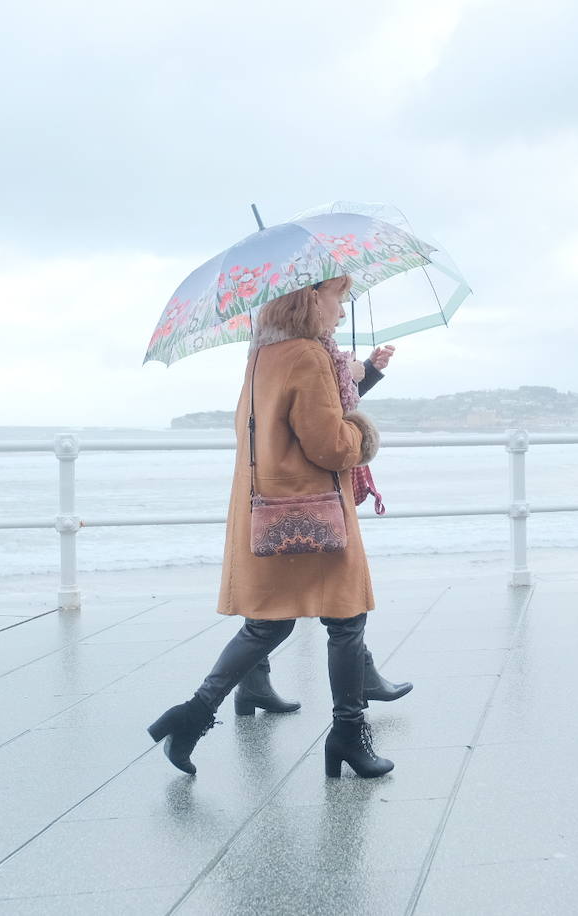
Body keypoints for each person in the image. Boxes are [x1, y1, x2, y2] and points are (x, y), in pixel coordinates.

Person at [147, 275, 395, 778]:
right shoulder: (307, 356)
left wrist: (352, 382)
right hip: (313, 506)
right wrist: (362, 432)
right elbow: (329, 445)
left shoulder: (263, 355)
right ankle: (349, 735)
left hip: (271, 508)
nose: (342, 312)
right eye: (338, 299)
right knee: (346, 621)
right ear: (311, 297)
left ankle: (190, 717)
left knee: (269, 622)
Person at [230, 340, 412, 717]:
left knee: (282, 602)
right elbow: (322, 430)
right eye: (336, 299)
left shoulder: (273, 352)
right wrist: (356, 411)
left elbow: (322, 407)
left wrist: (364, 372)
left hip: (282, 492)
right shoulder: (297, 352)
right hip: (303, 492)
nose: (340, 313)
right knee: (320, 603)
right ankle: (207, 705)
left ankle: (253, 684)